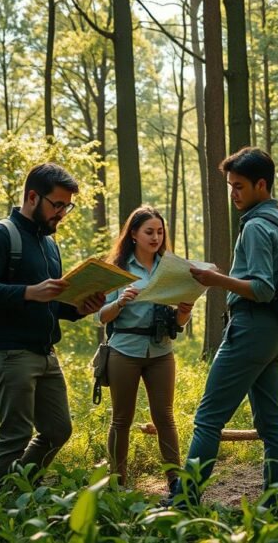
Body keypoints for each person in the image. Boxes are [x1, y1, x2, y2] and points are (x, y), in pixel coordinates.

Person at [169, 147, 278, 507]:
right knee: (271, 424)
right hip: (277, 334)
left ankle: (184, 501)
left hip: (251, 330)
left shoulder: (256, 226)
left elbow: (262, 288)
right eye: (230, 186)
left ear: (261, 185)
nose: (233, 194)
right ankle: (276, 501)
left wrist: (215, 279)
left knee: (208, 419)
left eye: (239, 186)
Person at [0, 163, 106, 484]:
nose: (62, 213)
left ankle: (22, 487)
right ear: (33, 197)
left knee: (58, 429)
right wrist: (31, 292)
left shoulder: (49, 244)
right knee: (15, 434)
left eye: (67, 206)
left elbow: (51, 304)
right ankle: (4, 509)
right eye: (57, 204)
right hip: (8, 351)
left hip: (46, 353)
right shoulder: (0, 235)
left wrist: (81, 307)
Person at [96, 206, 194, 490]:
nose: (156, 237)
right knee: (121, 419)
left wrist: (185, 312)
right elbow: (101, 316)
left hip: (161, 351)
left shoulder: (171, 268)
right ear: (134, 235)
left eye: (160, 232)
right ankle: (118, 482)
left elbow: (177, 320)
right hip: (123, 350)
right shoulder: (118, 268)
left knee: (165, 416)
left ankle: (175, 482)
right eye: (149, 232)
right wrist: (120, 302)